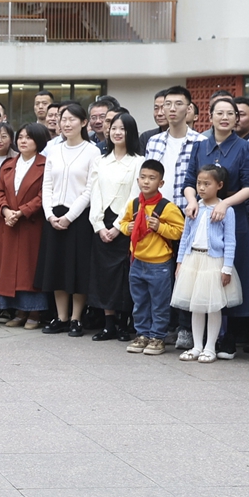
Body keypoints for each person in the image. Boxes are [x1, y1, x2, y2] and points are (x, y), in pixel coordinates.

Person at [196, 98, 249, 356]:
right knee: (204, 274)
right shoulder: (199, 146)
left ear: (237, 118)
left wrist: (224, 204)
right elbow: (190, 181)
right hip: (203, 216)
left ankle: (230, 337)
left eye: (230, 113)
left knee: (231, 275)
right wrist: (192, 202)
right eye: (219, 113)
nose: (224, 118)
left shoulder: (246, 148)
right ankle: (203, 339)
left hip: (234, 216)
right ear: (210, 116)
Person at [37, 103, 99, 335]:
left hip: (79, 218)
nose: (67, 123)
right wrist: (50, 214)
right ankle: (61, 317)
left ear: (83, 123)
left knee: (78, 268)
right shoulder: (54, 150)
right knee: (56, 267)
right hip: (54, 215)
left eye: (72, 119)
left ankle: (76, 318)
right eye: (64, 119)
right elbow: (47, 185)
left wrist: (70, 216)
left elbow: (90, 189)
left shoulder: (92, 152)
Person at [85, 111, 144, 342]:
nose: (117, 132)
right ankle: (108, 323)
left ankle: (123, 323)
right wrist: (99, 225)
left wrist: (119, 226)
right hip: (102, 223)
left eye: (123, 129)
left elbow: (134, 195)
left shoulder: (138, 161)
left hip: (126, 223)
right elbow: (95, 193)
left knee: (123, 275)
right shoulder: (101, 160)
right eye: (114, 128)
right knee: (103, 275)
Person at [173, 166, 241, 362]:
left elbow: (230, 241)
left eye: (207, 184)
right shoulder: (194, 207)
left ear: (219, 185)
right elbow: (185, 236)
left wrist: (227, 267)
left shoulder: (226, 210)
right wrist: (180, 261)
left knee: (213, 306)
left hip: (213, 262)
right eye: (199, 183)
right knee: (196, 305)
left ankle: (210, 347)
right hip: (193, 259)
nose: (201, 188)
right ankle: (197, 346)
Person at [121, 159, 186, 355]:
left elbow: (181, 231)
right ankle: (142, 334)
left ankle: (158, 337)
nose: (146, 181)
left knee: (159, 303)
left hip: (159, 264)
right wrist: (127, 228)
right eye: (143, 177)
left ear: (161, 182)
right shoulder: (134, 204)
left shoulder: (167, 207)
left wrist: (160, 227)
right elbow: (123, 223)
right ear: (138, 180)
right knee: (140, 301)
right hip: (137, 261)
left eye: (152, 178)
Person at [0, 123, 49, 328]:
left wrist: (23, 211)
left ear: (39, 141)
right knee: (10, 269)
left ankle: (34, 312)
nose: (23, 141)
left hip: (31, 224)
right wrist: (6, 210)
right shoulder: (8, 164)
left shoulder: (45, 165)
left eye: (29, 138)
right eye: (21, 137)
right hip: (9, 223)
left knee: (29, 269)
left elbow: (44, 194)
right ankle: (18, 311)